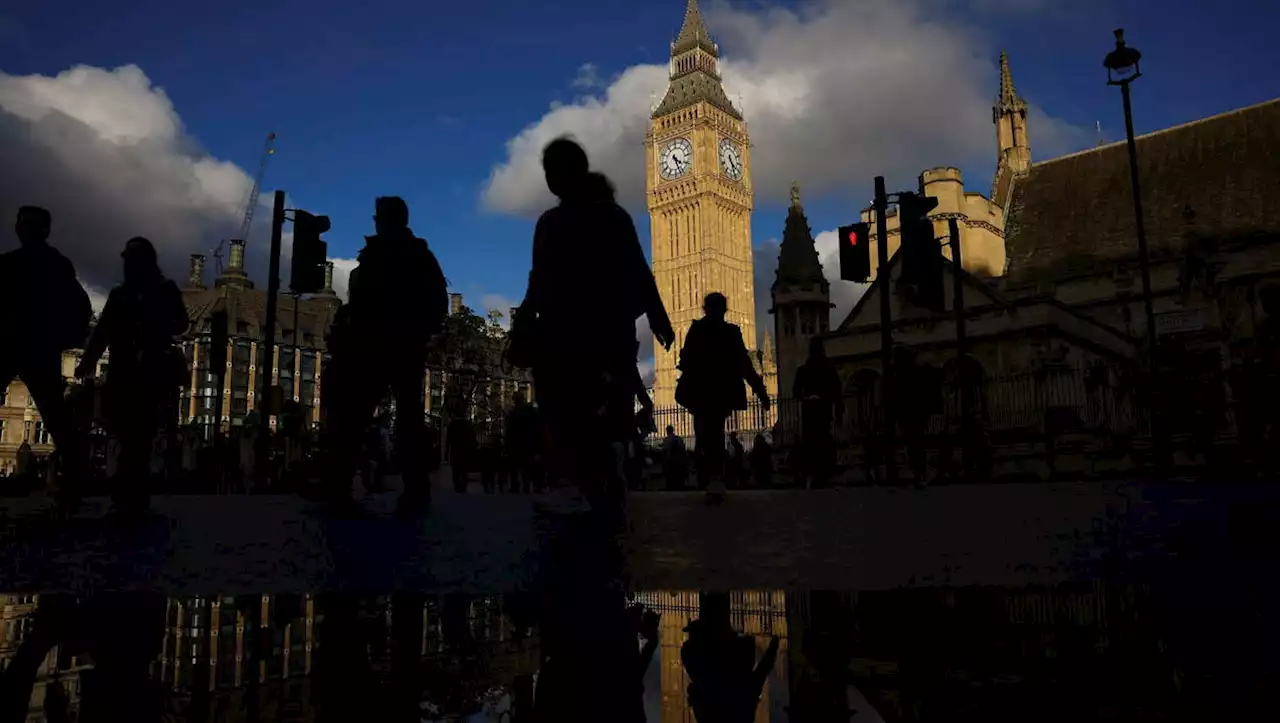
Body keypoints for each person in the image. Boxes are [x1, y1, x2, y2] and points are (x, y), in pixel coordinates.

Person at [514, 137, 674, 508]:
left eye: (556, 170)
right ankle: (601, 468)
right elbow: (538, 277)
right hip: (582, 327)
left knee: (579, 405)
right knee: (571, 404)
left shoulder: (579, 220)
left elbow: (635, 268)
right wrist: (656, 314)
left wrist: (657, 315)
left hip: (588, 328)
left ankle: (594, 472)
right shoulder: (568, 221)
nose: (553, 179)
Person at [319, 196, 448, 514]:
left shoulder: (378, 255)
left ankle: (339, 487)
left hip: (374, 345)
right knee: (408, 418)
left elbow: (363, 303)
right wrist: (423, 332)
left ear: (383, 219)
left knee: (358, 416)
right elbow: (438, 301)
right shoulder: (419, 255)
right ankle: (416, 488)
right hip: (404, 345)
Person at [75, 237, 189, 513]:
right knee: (130, 433)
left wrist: (157, 325)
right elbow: (102, 331)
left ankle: (130, 491)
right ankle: (131, 490)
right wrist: (88, 361)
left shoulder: (163, 290)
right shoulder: (121, 295)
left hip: (149, 371)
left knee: (140, 434)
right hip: (125, 371)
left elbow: (181, 323)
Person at [0, 206, 92, 507]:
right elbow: (81, 308)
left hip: (14, 344)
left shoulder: (10, 264)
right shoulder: (57, 265)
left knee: (56, 416)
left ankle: (75, 481)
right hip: (40, 347)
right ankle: (76, 482)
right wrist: (63, 339)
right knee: (56, 416)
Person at [674, 292, 770, 502]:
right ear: (724, 309)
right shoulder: (730, 332)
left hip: (702, 391)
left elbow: (685, 358)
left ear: (705, 308)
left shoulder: (697, 330)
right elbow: (744, 364)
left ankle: (712, 476)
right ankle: (714, 477)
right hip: (720, 391)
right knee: (714, 433)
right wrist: (760, 390)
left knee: (706, 433)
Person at [793, 336, 843, 488]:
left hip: (811, 413)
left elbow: (796, 392)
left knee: (812, 443)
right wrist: (838, 412)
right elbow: (837, 393)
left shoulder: (803, 370)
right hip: (822, 411)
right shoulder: (829, 370)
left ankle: (815, 475)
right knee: (822, 442)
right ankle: (822, 475)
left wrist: (806, 399)